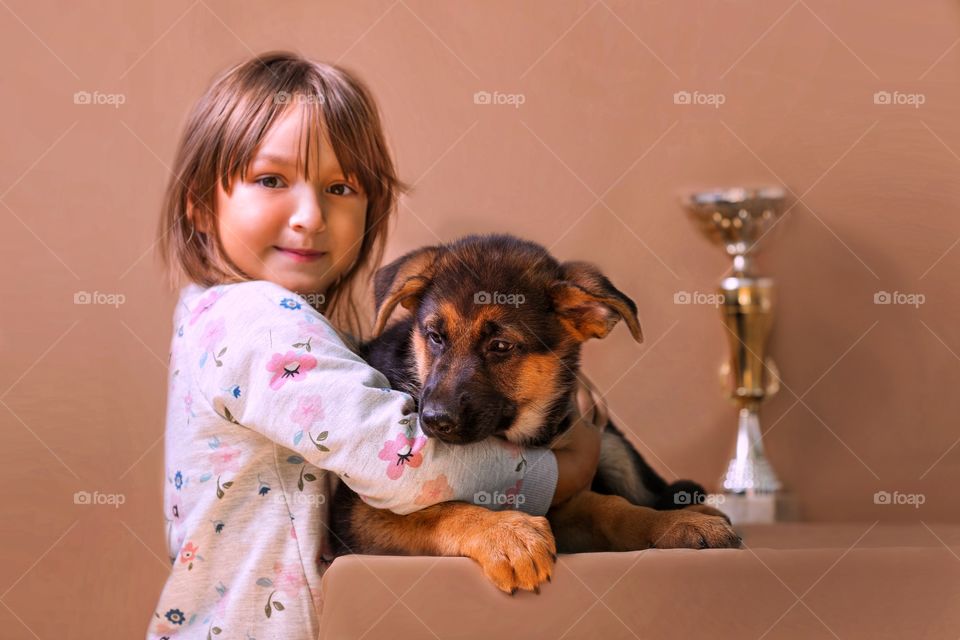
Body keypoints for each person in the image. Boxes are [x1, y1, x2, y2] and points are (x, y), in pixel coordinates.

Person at [147, 51, 601, 639]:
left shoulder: (230, 318)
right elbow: (402, 464)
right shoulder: (257, 324)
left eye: (339, 187)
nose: (310, 215)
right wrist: (560, 473)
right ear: (199, 203)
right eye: (271, 180)